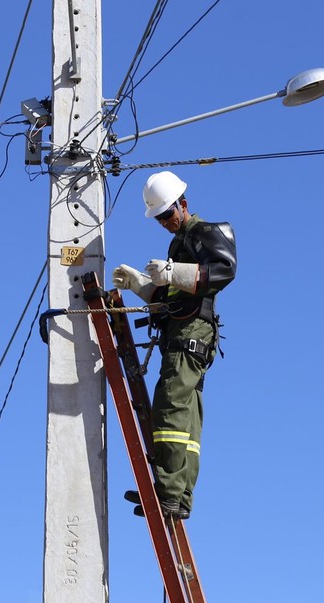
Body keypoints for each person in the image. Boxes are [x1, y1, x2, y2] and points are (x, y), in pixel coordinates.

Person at [112, 171, 237, 520]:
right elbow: (170, 300)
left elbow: (224, 269)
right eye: (160, 217)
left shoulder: (204, 233)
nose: (165, 222)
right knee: (188, 421)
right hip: (182, 334)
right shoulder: (178, 244)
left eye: (168, 214)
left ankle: (168, 490)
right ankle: (179, 495)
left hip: (191, 336)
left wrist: (173, 273)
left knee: (169, 409)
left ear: (183, 204)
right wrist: (140, 284)